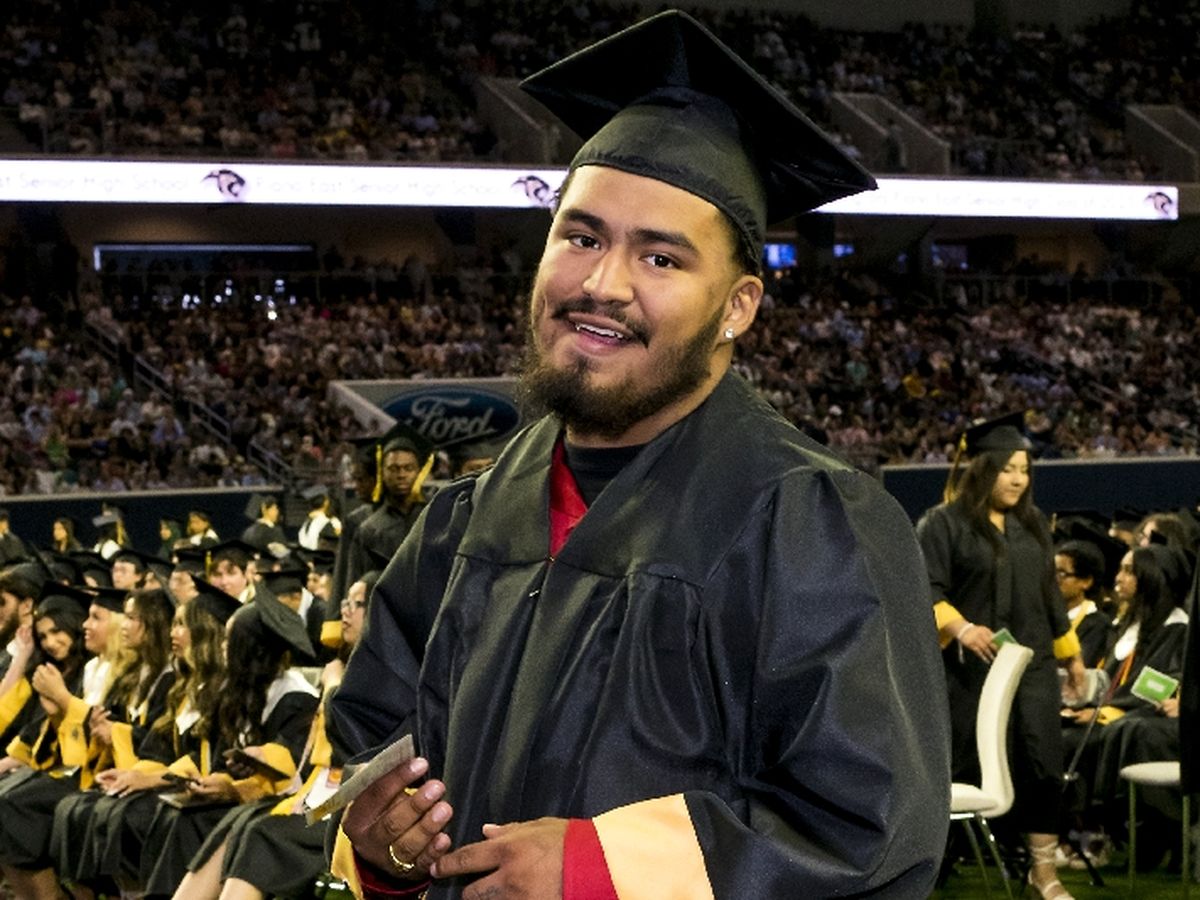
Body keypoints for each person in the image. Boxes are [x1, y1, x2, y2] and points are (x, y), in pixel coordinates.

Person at [330, 11, 949, 899]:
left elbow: (865, 830)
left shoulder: (810, 524)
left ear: (737, 307)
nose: (601, 284)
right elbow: (373, 754)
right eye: (581, 237)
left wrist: (601, 868)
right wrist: (384, 849)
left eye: (661, 259)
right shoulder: (465, 520)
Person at [917, 412, 1086, 900]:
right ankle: (935, 861)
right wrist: (962, 627)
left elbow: (1050, 596)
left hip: (1031, 666)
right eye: (1008, 468)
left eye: (1024, 470)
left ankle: (1043, 874)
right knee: (963, 762)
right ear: (982, 468)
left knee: (1041, 761)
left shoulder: (1032, 525)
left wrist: (1071, 656)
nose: (1018, 479)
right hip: (967, 670)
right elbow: (925, 588)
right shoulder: (943, 523)